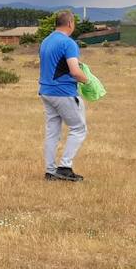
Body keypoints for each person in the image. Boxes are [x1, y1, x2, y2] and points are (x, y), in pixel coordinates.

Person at [39, 10, 91, 181]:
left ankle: (50, 171)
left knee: (52, 132)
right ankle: (64, 167)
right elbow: (75, 71)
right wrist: (88, 81)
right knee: (78, 128)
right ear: (70, 23)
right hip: (63, 92)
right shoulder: (68, 43)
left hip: (46, 91)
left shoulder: (46, 41)